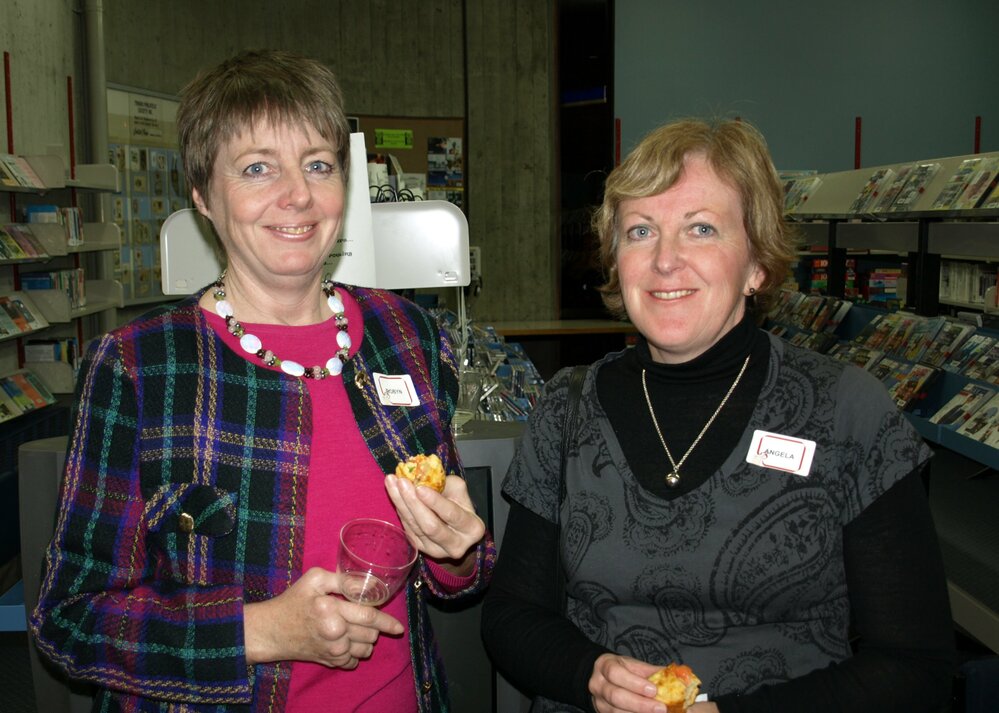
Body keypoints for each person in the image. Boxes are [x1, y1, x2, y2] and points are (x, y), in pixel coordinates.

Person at [31, 49, 494, 712]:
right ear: (203, 197)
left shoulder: (406, 334)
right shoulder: (142, 366)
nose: (297, 195)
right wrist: (256, 631)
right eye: (256, 168)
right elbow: (69, 618)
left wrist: (456, 552)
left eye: (317, 164)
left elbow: (456, 574)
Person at [481, 118, 955, 713]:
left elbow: (916, 667)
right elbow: (510, 616)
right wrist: (590, 674)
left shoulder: (844, 411)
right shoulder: (568, 408)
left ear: (756, 264)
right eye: (640, 232)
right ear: (616, 262)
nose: (665, 261)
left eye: (701, 229)